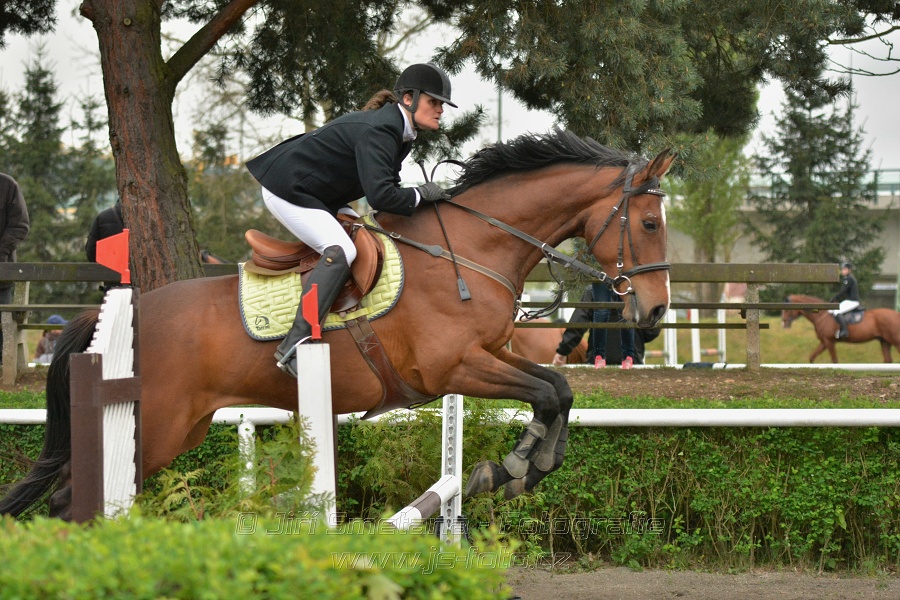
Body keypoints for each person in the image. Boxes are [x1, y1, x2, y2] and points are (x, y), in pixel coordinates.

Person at [245, 63, 456, 378]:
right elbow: (382, 197)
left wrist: (419, 198)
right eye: (434, 102)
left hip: (321, 193)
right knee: (342, 250)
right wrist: (422, 194)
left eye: (442, 104)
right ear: (409, 99)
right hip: (287, 187)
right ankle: (295, 343)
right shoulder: (384, 129)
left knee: (367, 236)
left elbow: (385, 195)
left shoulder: (401, 132)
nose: (440, 110)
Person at [552, 284, 645, 369]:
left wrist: (563, 351)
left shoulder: (591, 291)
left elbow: (578, 324)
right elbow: (651, 331)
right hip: (634, 361)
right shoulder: (637, 291)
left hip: (596, 362)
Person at [0, 173, 31, 360]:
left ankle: (3, 367)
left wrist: (1, 252)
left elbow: (20, 225)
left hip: (2, 273)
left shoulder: (7, 185)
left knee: (3, 322)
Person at [829, 262, 860, 340]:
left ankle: (844, 331)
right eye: (842, 269)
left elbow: (843, 291)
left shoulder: (849, 279)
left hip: (853, 301)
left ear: (849, 270)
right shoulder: (847, 278)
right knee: (832, 310)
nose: (842, 271)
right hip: (849, 300)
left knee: (836, 311)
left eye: (844, 269)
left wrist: (834, 298)